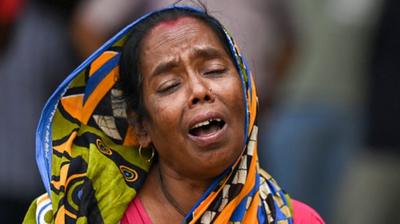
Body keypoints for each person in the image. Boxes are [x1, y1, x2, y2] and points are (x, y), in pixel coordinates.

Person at [23, 4, 323, 224]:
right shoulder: (75, 217)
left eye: (215, 70)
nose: (200, 90)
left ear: (246, 93)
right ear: (141, 126)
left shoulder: (297, 219)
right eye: (169, 85)